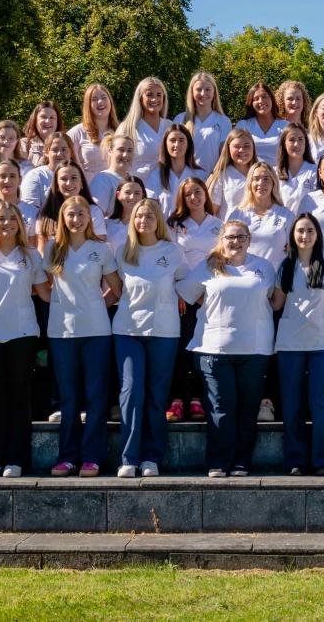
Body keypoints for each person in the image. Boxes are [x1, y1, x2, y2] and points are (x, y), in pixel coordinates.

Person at [177, 221, 278, 476]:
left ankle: (242, 462)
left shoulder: (264, 267)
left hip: (255, 349)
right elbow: (189, 294)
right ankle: (218, 463)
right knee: (220, 408)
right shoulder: (210, 266)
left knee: (248, 408)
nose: (236, 242)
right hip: (214, 348)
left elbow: (273, 299)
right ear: (222, 239)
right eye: (230, 237)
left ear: (249, 240)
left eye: (241, 237)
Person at [44, 196, 121, 477]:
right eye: (70, 214)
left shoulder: (101, 249)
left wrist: (96, 304)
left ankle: (92, 457)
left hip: (97, 330)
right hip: (61, 331)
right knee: (68, 398)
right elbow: (43, 286)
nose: (75, 219)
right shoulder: (53, 247)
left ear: (89, 218)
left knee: (96, 396)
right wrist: (60, 304)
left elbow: (116, 289)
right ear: (62, 218)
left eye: (81, 214)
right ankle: (67, 457)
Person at [0, 201, 51, 478]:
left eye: (12, 219)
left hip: (23, 333)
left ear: (20, 223)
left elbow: (45, 294)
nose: (7, 223)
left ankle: (17, 459)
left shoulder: (30, 256)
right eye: (1, 219)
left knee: (19, 396)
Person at [113, 199, 188, 477]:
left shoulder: (173, 251)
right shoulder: (123, 252)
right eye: (139, 216)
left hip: (163, 331)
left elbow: (186, 282)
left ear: (158, 220)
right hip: (127, 331)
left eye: (149, 216)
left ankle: (151, 458)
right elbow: (117, 287)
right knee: (131, 391)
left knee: (157, 396)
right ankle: (129, 458)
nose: (144, 220)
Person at [274, 214, 324, 475]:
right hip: (290, 344)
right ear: (293, 235)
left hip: (322, 343)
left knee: (322, 405)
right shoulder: (284, 266)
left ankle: (322, 462)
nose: (305, 236)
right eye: (300, 231)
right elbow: (277, 304)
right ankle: (295, 461)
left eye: (310, 231)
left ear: (317, 235)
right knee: (292, 405)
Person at [167, 177, 220, 423]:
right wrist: (183, 292)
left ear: (205, 194)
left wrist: (202, 293)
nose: (194, 198)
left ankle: (199, 398)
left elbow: (221, 259)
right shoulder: (174, 225)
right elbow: (171, 259)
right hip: (182, 295)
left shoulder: (218, 225)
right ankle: (178, 399)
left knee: (204, 347)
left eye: (198, 192)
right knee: (182, 347)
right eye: (188, 194)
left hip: (210, 296)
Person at [227, 162, 296, 265]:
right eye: (256, 179)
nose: (261, 183)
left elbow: (294, 252)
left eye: (266, 179)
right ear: (250, 183)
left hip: (275, 278)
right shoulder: (237, 215)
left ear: (273, 183)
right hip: (244, 277)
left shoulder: (286, 215)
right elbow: (226, 249)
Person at [176, 71, 232, 173]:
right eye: (198, 89)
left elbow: (224, 156)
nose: (203, 93)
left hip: (213, 180)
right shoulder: (180, 119)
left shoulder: (224, 121)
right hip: (186, 180)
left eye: (207, 89)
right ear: (192, 92)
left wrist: (213, 178)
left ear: (214, 92)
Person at [119, 76, 174, 178]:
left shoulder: (171, 126)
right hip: (137, 190)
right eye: (149, 95)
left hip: (167, 189)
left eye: (159, 95)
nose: (154, 99)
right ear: (140, 98)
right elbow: (117, 163)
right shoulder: (127, 128)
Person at [146, 123, 205, 215]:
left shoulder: (200, 175)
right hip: (164, 229)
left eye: (181, 140)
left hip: (193, 229)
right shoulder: (155, 176)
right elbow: (151, 211)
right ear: (165, 144)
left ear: (188, 144)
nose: (177, 144)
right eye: (172, 140)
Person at [67, 82, 120, 181]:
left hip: (118, 190)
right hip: (89, 192)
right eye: (94, 99)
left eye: (104, 97)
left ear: (110, 101)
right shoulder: (77, 133)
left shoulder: (121, 131)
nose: (100, 101)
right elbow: (66, 164)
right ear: (88, 105)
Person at [18, 131, 78, 215]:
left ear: (70, 152)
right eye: (55, 150)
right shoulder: (35, 176)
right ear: (46, 152)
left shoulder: (77, 175)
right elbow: (29, 211)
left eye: (64, 149)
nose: (59, 153)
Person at [207, 128, 258, 218]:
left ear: (253, 147)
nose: (241, 150)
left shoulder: (262, 174)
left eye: (246, 146)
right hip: (230, 230)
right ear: (228, 148)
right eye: (236, 146)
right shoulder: (221, 176)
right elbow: (211, 212)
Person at [235, 81, 286, 167]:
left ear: (272, 99)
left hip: (279, 176)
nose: (261, 101)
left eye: (265, 96)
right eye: (256, 98)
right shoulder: (243, 125)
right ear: (251, 103)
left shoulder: (285, 126)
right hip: (251, 176)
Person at [87, 131, 136, 218]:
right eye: (121, 150)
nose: (125, 155)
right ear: (110, 151)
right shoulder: (102, 179)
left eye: (129, 150)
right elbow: (96, 215)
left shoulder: (134, 180)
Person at [275, 123, 319, 212]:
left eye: (300, 139)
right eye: (292, 140)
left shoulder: (315, 171)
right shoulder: (275, 173)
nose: (296, 144)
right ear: (284, 143)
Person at [20, 101, 64, 169]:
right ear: (35, 120)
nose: (47, 121)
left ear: (57, 121)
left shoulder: (66, 144)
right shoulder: (25, 144)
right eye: (43, 117)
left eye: (52, 117)